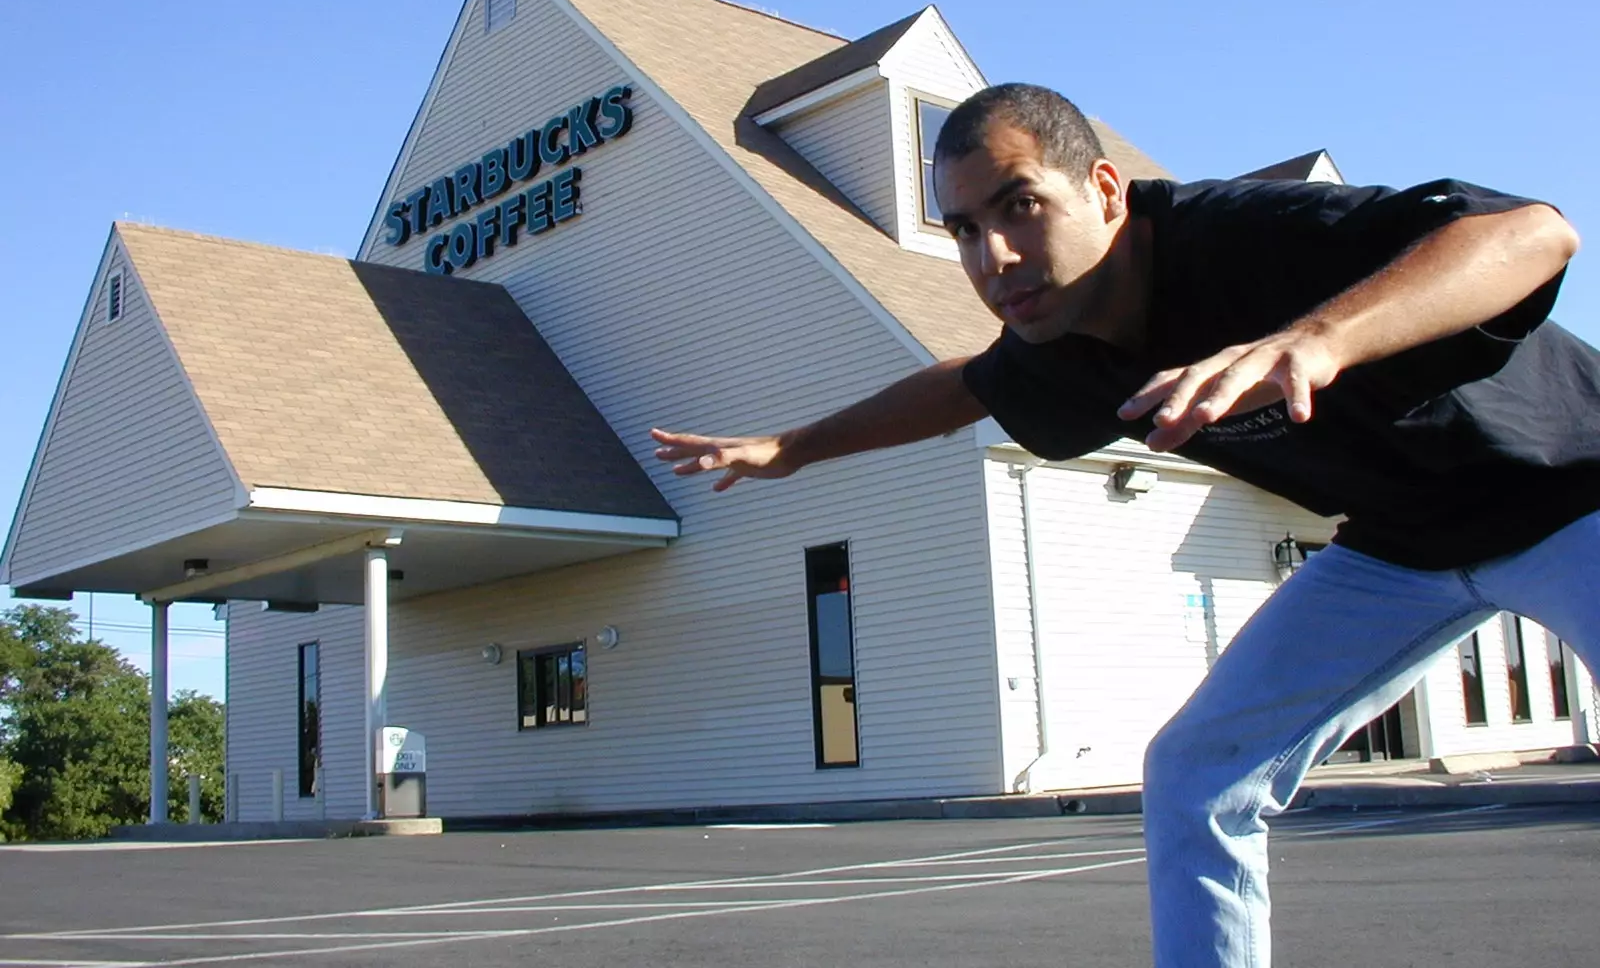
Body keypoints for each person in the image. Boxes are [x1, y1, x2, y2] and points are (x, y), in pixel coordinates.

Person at [649, 83, 1597, 968]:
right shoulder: (1060, 344)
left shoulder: (1239, 236)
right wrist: (794, 448)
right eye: (966, 230)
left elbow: (1534, 234)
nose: (995, 260)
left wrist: (1315, 338)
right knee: (1192, 774)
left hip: (1570, 493)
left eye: (1021, 207)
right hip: (1402, 547)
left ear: (1104, 189)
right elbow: (960, 389)